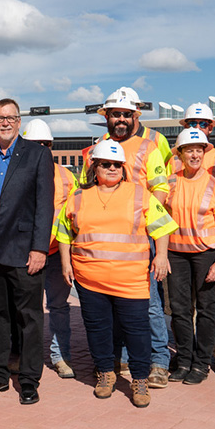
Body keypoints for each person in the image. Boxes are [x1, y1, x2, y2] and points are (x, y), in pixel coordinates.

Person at [54, 141, 176, 408]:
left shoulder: (139, 194)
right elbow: (64, 232)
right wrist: (65, 263)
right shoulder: (78, 197)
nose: (112, 169)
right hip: (90, 279)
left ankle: (140, 379)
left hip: (131, 280)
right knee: (98, 330)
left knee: (137, 331)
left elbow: (163, 228)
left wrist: (162, 255)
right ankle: (106, 373)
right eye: (105, 164)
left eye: (117, 165)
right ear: (94, 167)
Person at [81, 87, 172, 388]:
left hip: (139, 236)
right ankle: (117, 359)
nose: (120, 119)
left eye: (125, 114)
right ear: (106, 117)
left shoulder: (150, 146)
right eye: (114, 114)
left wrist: (145, 224)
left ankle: (158, 361)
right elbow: (86, 190)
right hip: (108, 242)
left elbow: (160, 189)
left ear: (135, 116)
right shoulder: (97, 148)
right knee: (113, 304)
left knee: (149, 304)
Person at [0, 99, 53, 405]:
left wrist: (39, 248)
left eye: (10, 118)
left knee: (28, 319)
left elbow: (45, 206)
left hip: (24, 252)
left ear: (19, 122)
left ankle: (29, 380)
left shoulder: (38, 155)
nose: (4, 123)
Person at [164, 128, 215, 385]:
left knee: (207, 309)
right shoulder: (170, 182)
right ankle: (184, 359)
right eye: (189, 150)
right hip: (175, 254)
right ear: (180, 154)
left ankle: (201, 363)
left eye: (199, 150)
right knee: (180, 310)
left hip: (206, 254)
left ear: (204, 153)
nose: (194, 154)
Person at [21, 119, 78, 379]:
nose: (41, 148)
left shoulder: (66, 176)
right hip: (27, 253)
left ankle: (60, 356)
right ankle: (24, 356)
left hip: (56, 253)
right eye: (35, 144)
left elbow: (75, 212)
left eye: (45, 144)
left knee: (58, 307)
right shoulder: (17, 174)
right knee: (25, 309)